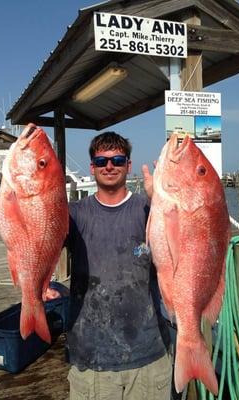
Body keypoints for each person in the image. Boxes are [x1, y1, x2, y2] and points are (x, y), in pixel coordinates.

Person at [66, 131, 172, 400]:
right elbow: (34, 233)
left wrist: (160, 201)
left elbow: (192, 241)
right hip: (91, 359)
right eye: (101, 161)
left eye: (117, 159)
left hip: (149, 355)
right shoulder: (74, 214)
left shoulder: (149, 209)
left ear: (128, 165)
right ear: (92, 168)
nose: (109, 166)